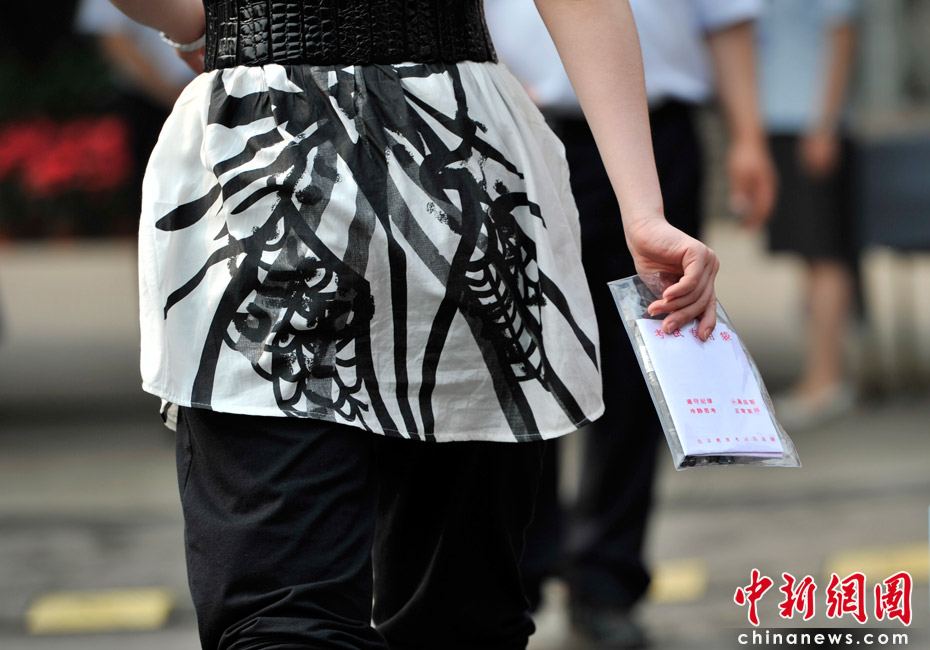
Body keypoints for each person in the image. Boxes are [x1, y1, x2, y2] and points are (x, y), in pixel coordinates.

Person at [107, 1, 720, 648]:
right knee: (460, 611)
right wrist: (643, 211)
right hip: (459, 159)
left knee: (285, 612)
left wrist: (200, 23)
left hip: (266, 153)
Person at [486, 1, 774, 646]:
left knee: (644, 361)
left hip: (654, 135)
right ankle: (517, 569)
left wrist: (749, 135)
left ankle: (605, 577)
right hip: (512, 128)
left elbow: (726, 16)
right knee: (520, 357)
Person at [758, 0, 860, 430]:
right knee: (809, 254)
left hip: (811, 125)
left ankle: (826, 380)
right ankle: (821, 374)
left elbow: (842, 34)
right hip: (780, 122)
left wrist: (825, 124)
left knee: (824, 253)